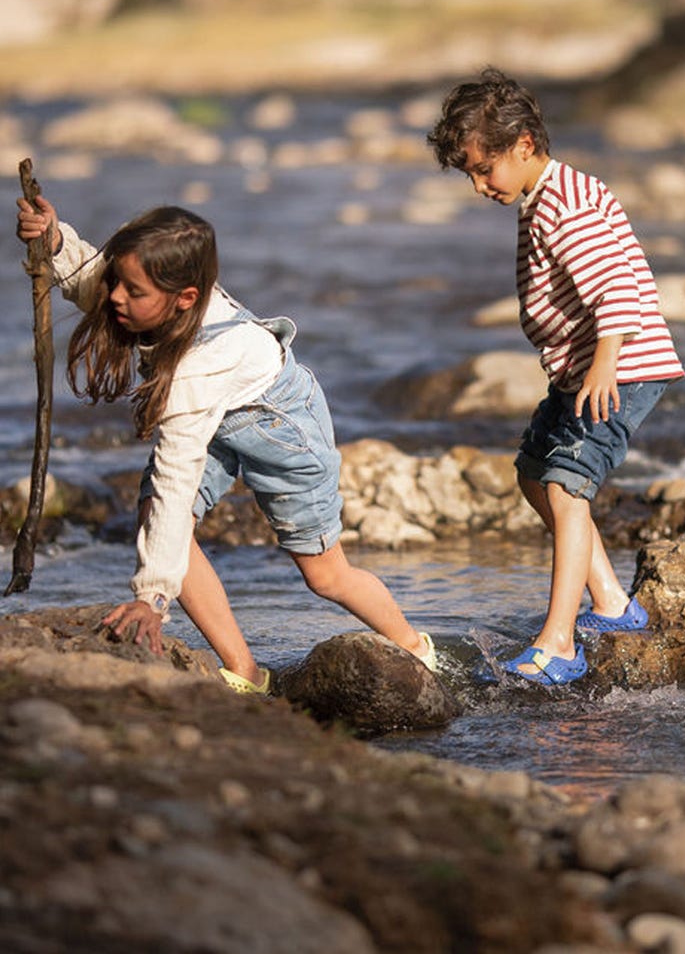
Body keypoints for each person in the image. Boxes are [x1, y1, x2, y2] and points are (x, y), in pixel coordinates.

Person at [15, 197, 436, 693]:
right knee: (156, 516)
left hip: (279, 426)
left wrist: (152, 598)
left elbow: (177, 474)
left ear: (186, 298)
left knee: (325, 575)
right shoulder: (152, 300)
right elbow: (95, 283)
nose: (115, 299)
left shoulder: (199, 366)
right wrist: (57, 243)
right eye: (117, 283)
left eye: (133, 290)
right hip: (217, 414)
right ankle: (247, 672)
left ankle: (414, 649)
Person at [427, 67, 685, 685]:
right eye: (469, 173)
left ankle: (559, 643)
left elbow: (617, 287)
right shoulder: (545, 196)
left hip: (617, 368)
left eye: (484, 169)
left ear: (523, 146)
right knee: (533, 474)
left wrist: (603, 365)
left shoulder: (563, 206)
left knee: (568, 489)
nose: (479, 185)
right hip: (582, 369)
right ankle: (615, 605)